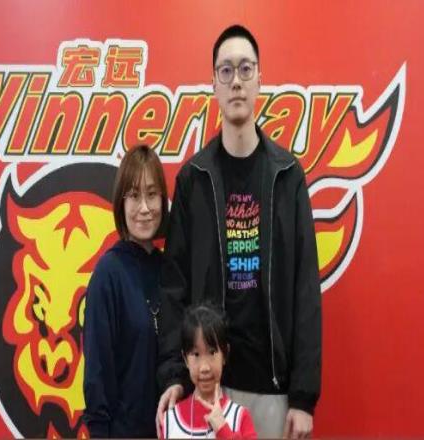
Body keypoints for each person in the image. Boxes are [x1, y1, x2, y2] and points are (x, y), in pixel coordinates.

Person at [157, 24, 322, 439]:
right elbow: (174, 288)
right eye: (226, 70)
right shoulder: (193, 179)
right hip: (208, 387)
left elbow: (305, 290)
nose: (236, 81)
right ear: (213, 83)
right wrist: (175, 374)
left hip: (273, 390)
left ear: (259, 80)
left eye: (245, 69)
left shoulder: (288, 176)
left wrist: (303, 397)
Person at [83, 144, 168, 437]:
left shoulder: (171, 271)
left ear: (163, 200)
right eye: (133, 196)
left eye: (152, 194)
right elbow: (97, 374)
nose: (144, 207)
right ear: (121, 203)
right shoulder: (108, 274)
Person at [160, 304, 256, 439]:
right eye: (196, 354)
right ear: (185, 359)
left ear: (225, 354)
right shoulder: (169, 420)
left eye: (212, 352)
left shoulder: (240, 417)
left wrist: (222, 429)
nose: (204, 367)